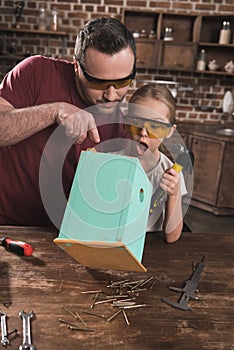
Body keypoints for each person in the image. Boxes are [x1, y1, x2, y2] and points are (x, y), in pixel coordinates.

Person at [0, 17, 136, 227]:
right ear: (76, 67)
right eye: (98, 83)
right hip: (6, 224)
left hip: (63, 234)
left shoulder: (123, 126)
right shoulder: (36, 72)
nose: (111, 95)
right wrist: (55, 110)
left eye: (122, 82)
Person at [117, 83, 188, 243]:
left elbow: (172, 236)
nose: (143, 133)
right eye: (137, 123)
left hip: (150, 246)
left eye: (155, 126)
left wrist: (174, 194)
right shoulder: (109, 162)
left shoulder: (171, 173)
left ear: (170, 131)